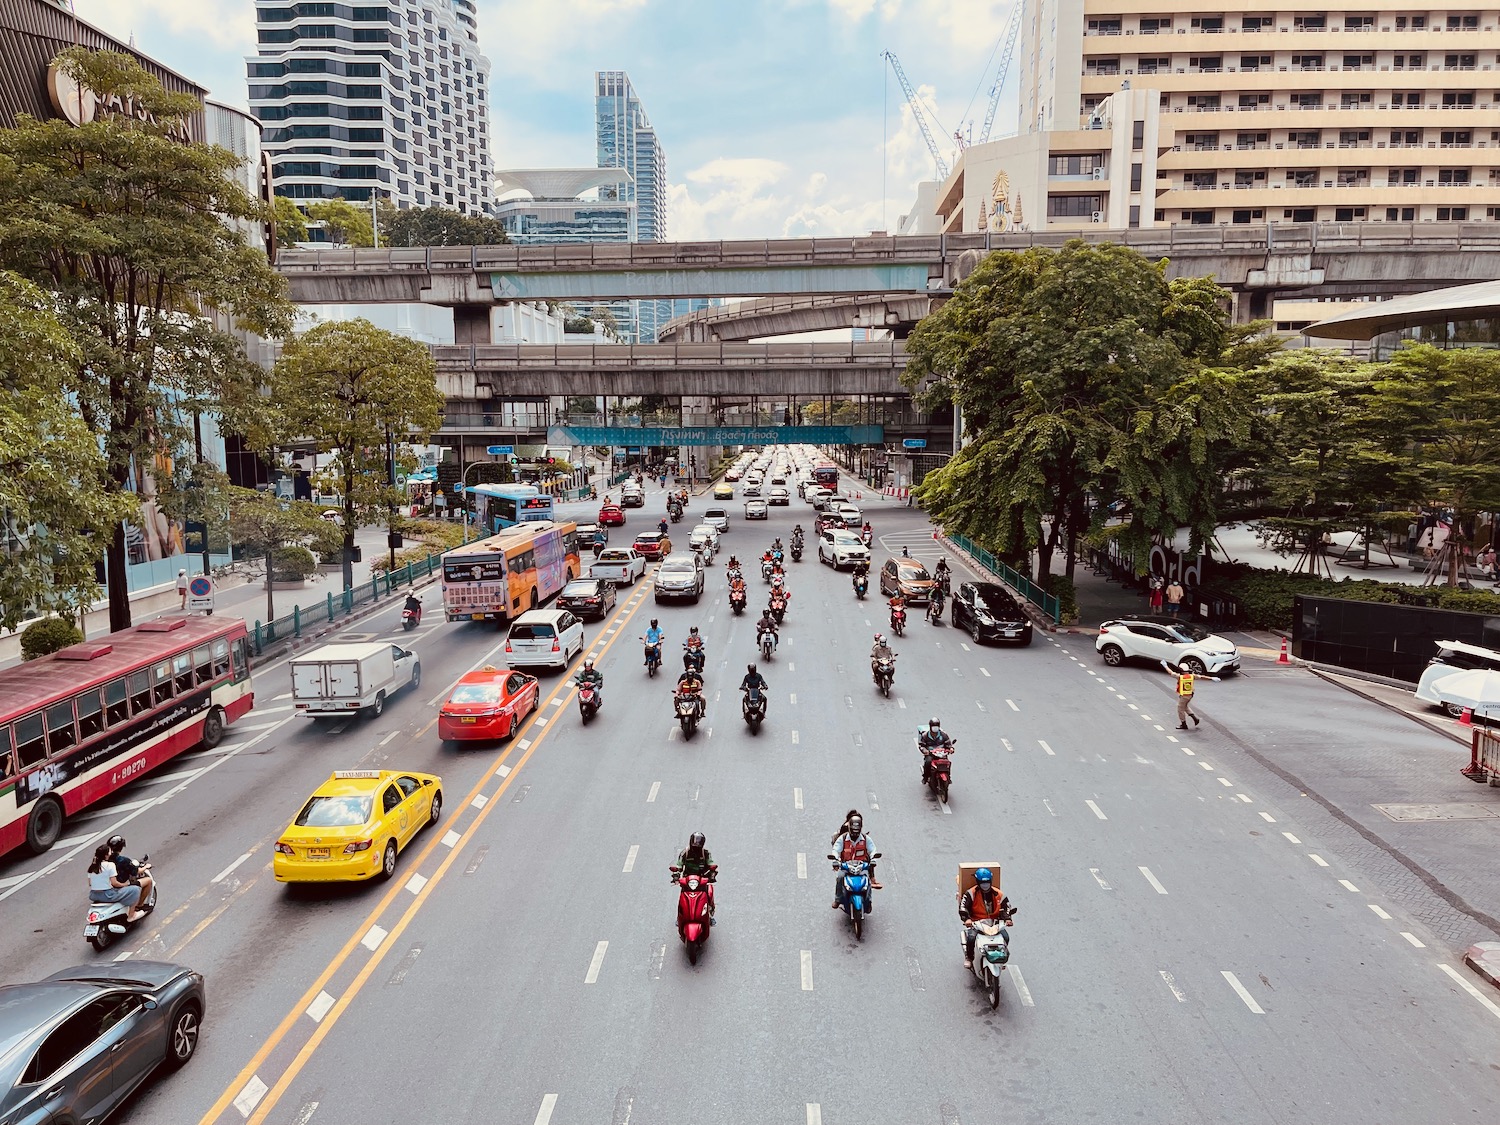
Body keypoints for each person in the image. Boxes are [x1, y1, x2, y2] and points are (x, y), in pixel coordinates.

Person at [959, 868, 1015, 969]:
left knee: (1005, 937)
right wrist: (966, 919)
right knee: (971, 938)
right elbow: (963, 907)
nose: (985, 885)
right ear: (978, 882)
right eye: (982, 883)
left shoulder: (999, 894)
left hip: (994, 923)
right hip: (977, 922)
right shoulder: (971, 893)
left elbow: (1007, 907)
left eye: (987, 882)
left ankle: (1002, 957)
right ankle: (969, 958)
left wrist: (1007, 919)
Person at [830, 810, 881, 906]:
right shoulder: (843, 838)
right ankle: (838, 899)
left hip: (861, 867)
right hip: (846, 866)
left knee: (867, 881)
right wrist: (835, 860)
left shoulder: (866, 839)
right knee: (840, 877)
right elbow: (836, 850)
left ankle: (868, 901)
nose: (855, 834)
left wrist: (873, 859)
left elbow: (873, 850)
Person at [87, 843, 143, 922]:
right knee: (136, 889)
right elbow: (115, 883)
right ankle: (131, 915)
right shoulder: (110, 865)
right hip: (108, 895)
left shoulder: (92, 867)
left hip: (94, 895)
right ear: (106, 855)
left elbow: (90, 883)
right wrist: (126, 884)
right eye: (109, 852)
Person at [1162, 659, 1216, 729]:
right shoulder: (1192, 676)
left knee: (1180, 709)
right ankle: (1195, 719)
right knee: (1185, 706)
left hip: (1184, 696)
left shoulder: (1179, 677)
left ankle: (1183, 724)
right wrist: (1211, 678)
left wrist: (1165, 666)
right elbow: (1202, 677)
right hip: (1190, 695)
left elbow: (1171, 672)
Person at [672, 832, 716, 918]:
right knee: (683, 897)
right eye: (695, 841)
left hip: (702, 879)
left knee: (707, 894)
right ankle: (680, 916)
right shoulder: (685, 853)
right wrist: (676, 875)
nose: (696, 844)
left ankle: (710, 914)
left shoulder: (705, 853)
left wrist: (712, 873)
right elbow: (678, 865)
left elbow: (711, 863)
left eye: (699, 842)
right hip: (687, 879)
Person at [106, 835, 153, 906]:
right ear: (121, 848)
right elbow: (136, 871)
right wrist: (146, 867)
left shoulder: (104, 859)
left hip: (107, 887)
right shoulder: (123, 860)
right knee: (148, 881)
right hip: (120, 886)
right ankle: (139, 905)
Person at [918, 716, 954, 784]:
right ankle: (925, 777)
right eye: (933, 726)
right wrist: (925, 751)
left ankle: (948, 776)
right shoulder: (925, 736)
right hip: (931, 754)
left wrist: (951, 749)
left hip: (942, 754)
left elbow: (948, 744)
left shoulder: (943, 735)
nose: (935, 728)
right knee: (928, 762)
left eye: (936, 726)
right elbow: (921, 746)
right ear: (930, 727)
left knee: (947, 763)